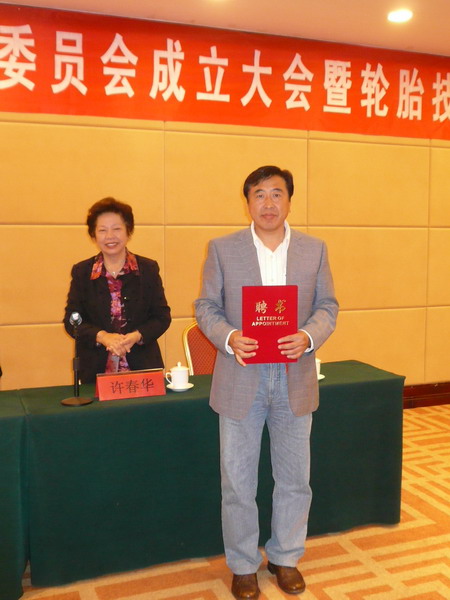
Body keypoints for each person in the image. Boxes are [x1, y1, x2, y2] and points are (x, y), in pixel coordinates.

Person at [195, 166, 338, 599]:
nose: (269, 203)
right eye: (259, 194)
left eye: (277, 194)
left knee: (295, 477)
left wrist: (308, 336)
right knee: (237, 481)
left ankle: (285, 557)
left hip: (295, 376)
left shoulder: (314, 249)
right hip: (241, 375)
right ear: (248, 203)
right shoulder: (223, 249)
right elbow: (206, 307)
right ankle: (242, 564)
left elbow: (328, 306)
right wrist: (229, 338)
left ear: (289, 201)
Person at [64, 197, 171, 383]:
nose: (110, 236)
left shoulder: (147, 269)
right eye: (102, 230)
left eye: (117, 229)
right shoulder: (82, 272)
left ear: (128, 231)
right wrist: (103, 337)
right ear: (93, 235)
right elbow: (72, 321)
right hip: (94, 371)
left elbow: (162, 317)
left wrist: (136, 336)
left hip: (143, 369)